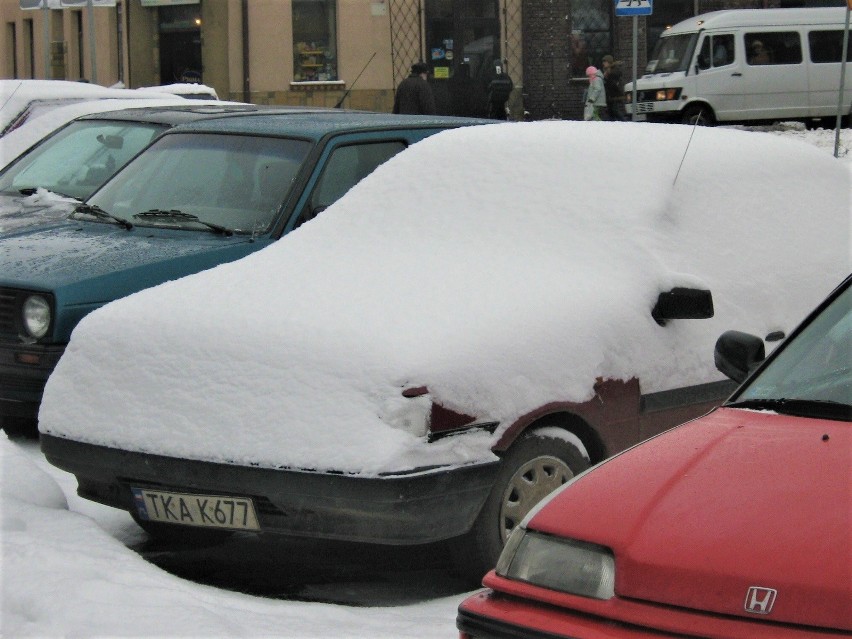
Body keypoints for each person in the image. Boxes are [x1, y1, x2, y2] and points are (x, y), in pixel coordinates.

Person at [601, 54, 627, 121]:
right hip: (610, 93)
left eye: (605, 62)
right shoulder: (606, 70)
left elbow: (616, 76)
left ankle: (624, 121)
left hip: (615, 93)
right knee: (610, 111)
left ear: (609, 62)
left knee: (615, 110)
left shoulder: (614, 69)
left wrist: (608, 74)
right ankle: (612, 124)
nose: (603, 63)